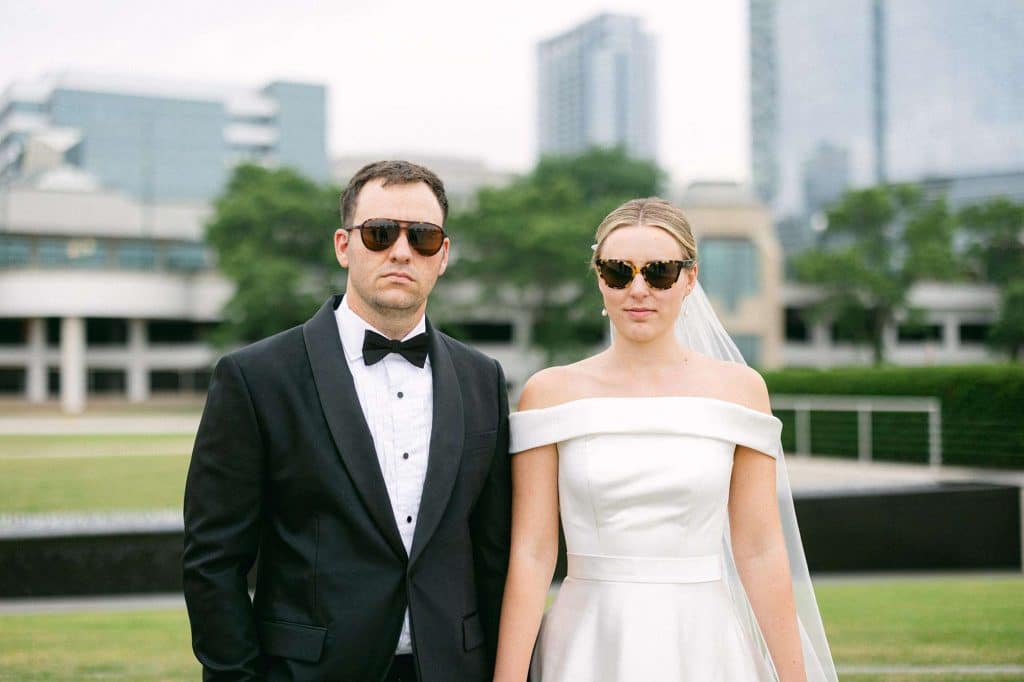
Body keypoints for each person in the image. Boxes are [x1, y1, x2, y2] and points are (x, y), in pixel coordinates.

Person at [183, 160, 512, 682]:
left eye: (423, 237)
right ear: (343, 245)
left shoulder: (483, 380)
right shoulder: (256, 378)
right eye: (380, 233)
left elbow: (494, 554)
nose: (401, 251)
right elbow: (213, 561)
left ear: (443, 255)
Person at [493, 198, 837, 681]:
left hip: (705, 643)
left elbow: (759, 548)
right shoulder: (548, 393)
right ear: (599, 278)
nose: (639, 289)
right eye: (619, 272)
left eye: (659, 272)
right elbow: (532, 553)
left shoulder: (741, 391)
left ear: (689, 279)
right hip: (588, 642)